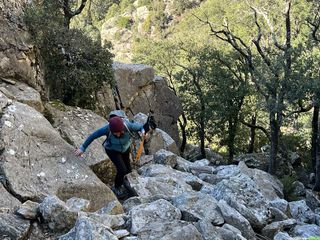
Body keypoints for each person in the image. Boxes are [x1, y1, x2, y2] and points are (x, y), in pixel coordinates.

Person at [74, 115, 146, 197]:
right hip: (112, 150)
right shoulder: (107, 129)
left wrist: (143, 131)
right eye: (115, 133)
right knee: (122, 169)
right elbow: (93, 136)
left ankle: (126, 184)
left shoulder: (128, 126)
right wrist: (82, 148)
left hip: (125, 149)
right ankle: (116, 188)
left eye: (120, 132)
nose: (118, 135)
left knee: (128, 169)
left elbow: (141, 127)